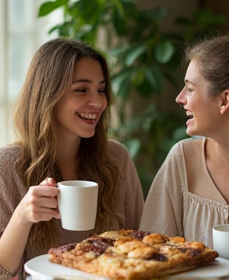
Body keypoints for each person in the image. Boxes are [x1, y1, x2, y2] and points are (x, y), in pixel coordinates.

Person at [140, 16, 229, 279]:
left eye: (189, 88)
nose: (180, 98)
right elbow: (147, 255)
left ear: (224, 100)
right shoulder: (182, 160)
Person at [0, 38, 144, 279]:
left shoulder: (116, 158)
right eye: (81, 89)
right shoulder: (7, 166)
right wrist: (23, 216)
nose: (98, 102)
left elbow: (143, 244)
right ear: (48, 94)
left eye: (100, 90)